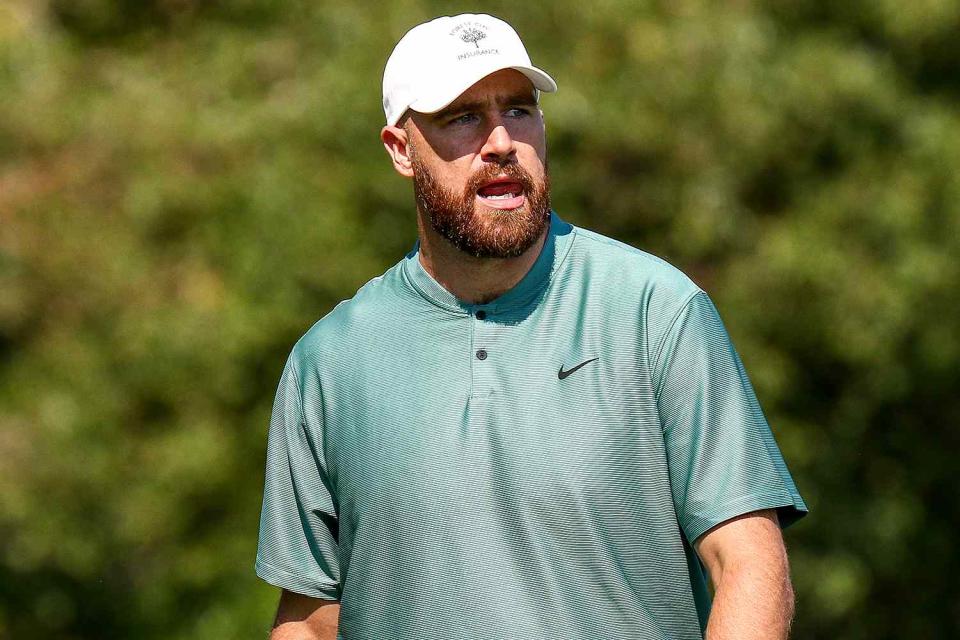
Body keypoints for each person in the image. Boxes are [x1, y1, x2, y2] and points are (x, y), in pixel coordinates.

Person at [256, 13, 808, 640]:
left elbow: (748, 562)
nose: (499, 141)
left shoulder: (657, 310)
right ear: (400, 149)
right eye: (462, 117)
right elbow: (310, 621)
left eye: (518, 110)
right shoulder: (329, 361)